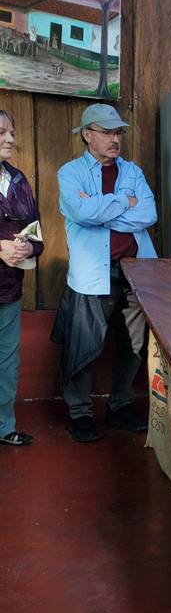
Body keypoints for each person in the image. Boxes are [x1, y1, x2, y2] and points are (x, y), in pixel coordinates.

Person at [52, 103, 157, 443]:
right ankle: (80, 413)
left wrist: (102, 208)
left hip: (134, 272)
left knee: (134, 344)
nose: (115, 139)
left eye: (118, 133)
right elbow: (81, 212)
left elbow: (149, 214)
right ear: (87, 135)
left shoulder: (133, 172)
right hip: (91, 274)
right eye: (107, 132)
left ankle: (120, 406)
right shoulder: (70, 174)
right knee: (83, 345)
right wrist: (124, 203)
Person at [0, 109, 43, 446]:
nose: (11, 139)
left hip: (9, 290)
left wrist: (30, 250)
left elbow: (37, 234)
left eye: (11, 132)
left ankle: (4, 426)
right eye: (2, 132)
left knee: (7, 362)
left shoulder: (18, 180)